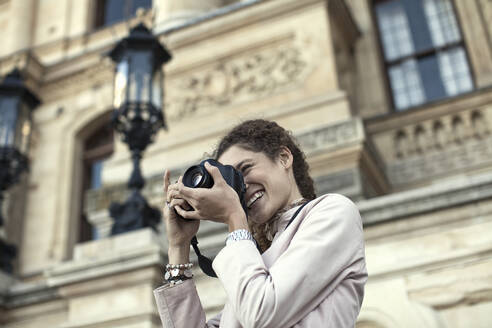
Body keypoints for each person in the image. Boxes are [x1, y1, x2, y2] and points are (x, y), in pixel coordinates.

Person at [154, 119, 367, 327]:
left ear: (284, 158)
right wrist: (179, 246)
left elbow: (261, 314)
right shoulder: (255, 263)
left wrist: (234, 217)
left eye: (245, 169)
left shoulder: (334, 212)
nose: (241, 187)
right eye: (231, 181)